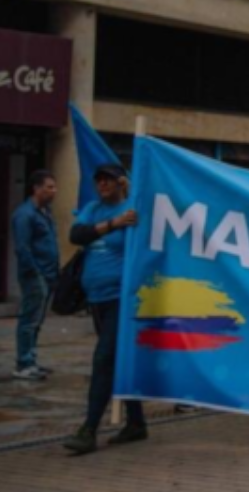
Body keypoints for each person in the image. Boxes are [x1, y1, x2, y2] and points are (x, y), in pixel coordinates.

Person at [63, 164, 147, 455]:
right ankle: (136, 423)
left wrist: (129, 204)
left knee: (104, 360)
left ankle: (88, 430)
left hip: (121, 301)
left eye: (108, 179)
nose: (102, 184)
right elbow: (77, 234)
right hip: (96, 299)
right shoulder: (93, 209)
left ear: (121, 182)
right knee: (118, 359)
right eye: (98, 179)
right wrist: (113, 224)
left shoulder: (133, 209)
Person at [11, 170, 59, 381]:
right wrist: (35, 272)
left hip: (48, 274)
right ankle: (23, 364)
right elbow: (22, 248)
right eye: (49, 187)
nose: (54, 191)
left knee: (37, 320)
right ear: (36, 188)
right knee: (29, 320)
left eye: (54, 187)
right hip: (35, 275)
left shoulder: (45, 212)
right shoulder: (25, 214)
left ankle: (31, 360)